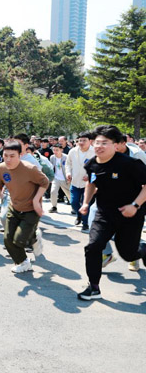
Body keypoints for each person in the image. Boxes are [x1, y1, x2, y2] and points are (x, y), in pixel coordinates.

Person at [77, 125, 146, 301]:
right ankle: (93, 287)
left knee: (128, 254)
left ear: (115, 145)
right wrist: (86, 203)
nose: (99, 146)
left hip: (130, 214)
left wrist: (134, 205)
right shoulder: (91, 164)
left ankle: (143, 249)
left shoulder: (129, 164)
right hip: (105, 213)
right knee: (93, 246)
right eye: (97, 142)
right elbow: (91, 183)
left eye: (104, 143)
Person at [0, 141, 49, 273]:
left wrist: (36, 200)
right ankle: (23, 262)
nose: (8, 159)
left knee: (19, 240)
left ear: (20, 155)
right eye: (5, 155)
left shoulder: (30, 168)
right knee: (8, 239)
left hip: (31, 209)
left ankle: (34, 237)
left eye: (12, 156)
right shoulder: (1, 168)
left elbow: (45, 182)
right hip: (14, 206)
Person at [65, 131, 95, 233]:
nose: (81, 142)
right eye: (79, 140)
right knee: (73, 202)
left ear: (90, 141)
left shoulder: (94, 152)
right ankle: (79, 215)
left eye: (84, 140)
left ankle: (85, 223)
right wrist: (68, 173)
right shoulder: (73, 151)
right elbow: (68, 164)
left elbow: (98, 166)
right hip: (75, 182)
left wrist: (90, 175)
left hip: (88, 184)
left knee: (86, 204)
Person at [48, 143, 71, 213]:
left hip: (65, 179)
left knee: (69, 194)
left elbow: (70, 168)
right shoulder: (52, 157)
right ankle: (54, 206)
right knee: (53, 192)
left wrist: (70, 177)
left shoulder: (66, 157)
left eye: (57, 150)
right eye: (54, 150)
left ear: (61, 150)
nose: (55, 152)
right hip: (56, 178)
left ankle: (74, 207)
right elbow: (51, 168)